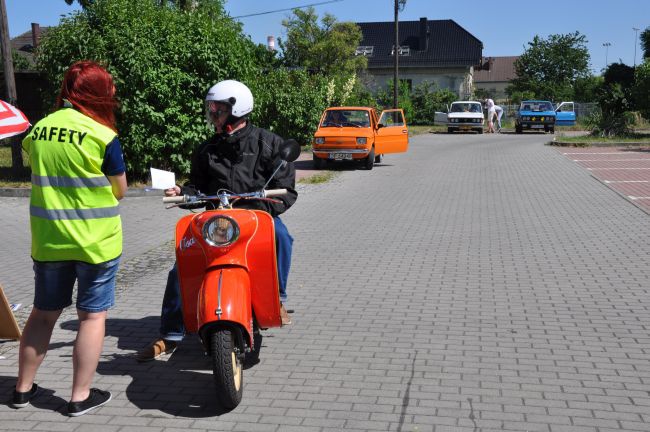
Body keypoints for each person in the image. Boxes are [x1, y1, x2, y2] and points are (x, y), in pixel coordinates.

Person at [136, 79, 297, 362]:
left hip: (254, 215)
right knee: (182, 264)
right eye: (211, 109)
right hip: (216, 219)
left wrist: (266, 204)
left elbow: (285, 187)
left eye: (218, 110)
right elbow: (197, 186)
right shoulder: (206, 149)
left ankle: (277, 298)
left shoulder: (269, 142)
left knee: (281, 237)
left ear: (237, 110)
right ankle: (171, 334)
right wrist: (182, 192)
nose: (213, 115)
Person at [13, 61, 127, 416]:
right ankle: (79, 397)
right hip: (95, 244)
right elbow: (120, 190)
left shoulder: (40, 130)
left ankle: (21, 390)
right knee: (92, 317)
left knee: (42, 315)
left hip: (49, 242)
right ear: (99, 94)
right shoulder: (102, 135)